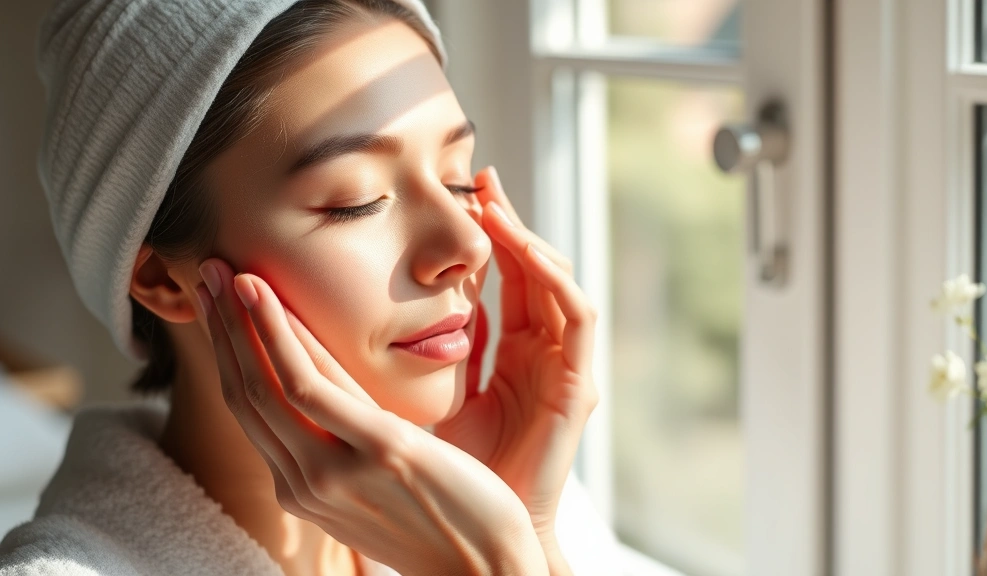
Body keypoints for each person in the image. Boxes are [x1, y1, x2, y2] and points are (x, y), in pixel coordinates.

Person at [0, 0, 621, 574]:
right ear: (165, 280)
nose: (470, 245)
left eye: (459, 181)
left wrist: (527, 525)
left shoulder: (511, 506)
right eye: (357, 201)